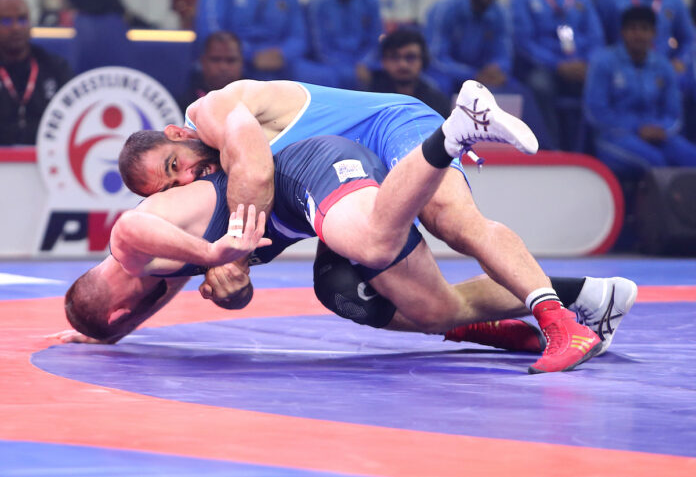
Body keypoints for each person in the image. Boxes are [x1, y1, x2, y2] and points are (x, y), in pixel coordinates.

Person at [73, 97, 617, 373]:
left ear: (178, 134)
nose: (184, 181)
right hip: (318, 193)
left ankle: (454, 132)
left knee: (441, 228)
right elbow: (178, 292)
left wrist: (220, 251)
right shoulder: (161, 269)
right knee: (408, 304)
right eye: (169, 183)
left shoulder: (137, 245)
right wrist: (111, 334)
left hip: (352, 144)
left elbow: (134, 228)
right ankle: (585, 296)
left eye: (175, 166)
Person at [425, 0, 552, 147]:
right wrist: (473, 75)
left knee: (520, 92)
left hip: (482, 76)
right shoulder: (445, 9)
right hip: (447, 74)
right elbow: (436, 58)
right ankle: (438, 145)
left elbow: (503, 55)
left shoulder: (500, 14)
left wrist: (497, 69)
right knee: (438, 88)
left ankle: (538, 148)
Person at [510, 0, 604, 149]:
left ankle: (587, 150)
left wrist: (586, 63)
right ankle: (551, 149)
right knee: (540, 86)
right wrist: (558, 65)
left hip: (579, 67)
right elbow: (523, 42)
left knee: (601, 83)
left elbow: (596, 38)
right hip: (542, 68)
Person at [584, 6, 696, 180]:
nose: (638, 34)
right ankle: (659, 200)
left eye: (645, 29)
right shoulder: (604, 62)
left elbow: (674, 114)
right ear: (622, 32)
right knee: (656, 162)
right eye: (633, 28)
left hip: (657, 133)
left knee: (691, 158)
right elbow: (596, 112)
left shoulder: (663, 65)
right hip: (615, 136)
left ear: (654, 33)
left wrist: (661, 129)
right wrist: (637, 128)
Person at [299, 0, 383, 90]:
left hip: (365, 66)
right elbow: (320, 50)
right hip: (330, 69)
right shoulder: (316, 4)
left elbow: (375, 41)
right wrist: (352, 71)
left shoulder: (370, 1)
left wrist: (364, 63)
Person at [0, 0, 72, 145]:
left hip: (46, 153)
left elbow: (73, 118)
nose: (16, 27)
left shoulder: (55, 67)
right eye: (6, 21)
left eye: (22, 20)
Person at [369, 28, 451, 118]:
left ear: (423, 60)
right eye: (394, 57)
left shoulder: (437, 101)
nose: (403, 64)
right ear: (383, 61)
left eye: (410, 57)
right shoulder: (371, 100)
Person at [177, 32, 244, 114]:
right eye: (215, 59)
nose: (223, 67)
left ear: (241, 62)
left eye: (230, 60)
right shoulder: (185, 104)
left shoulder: (253, 98)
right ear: (203, 62)